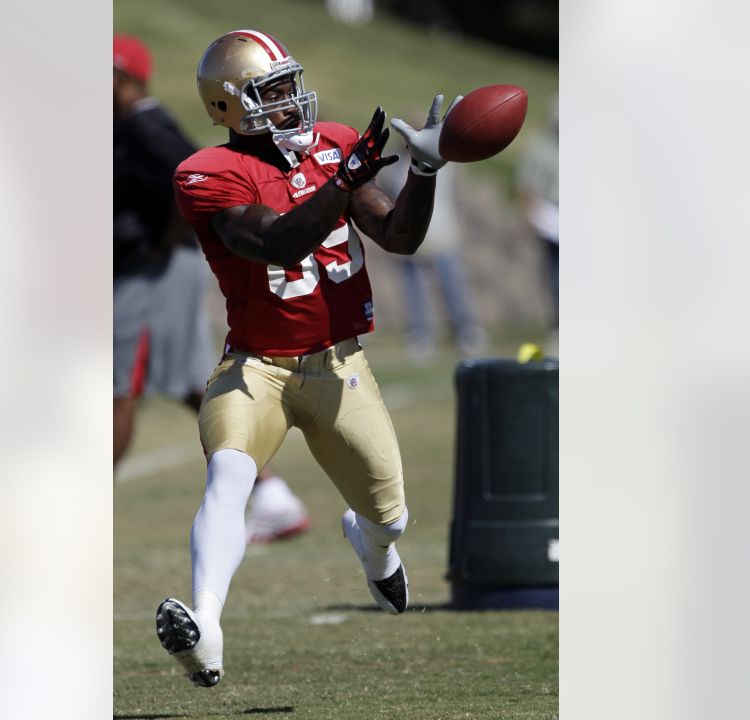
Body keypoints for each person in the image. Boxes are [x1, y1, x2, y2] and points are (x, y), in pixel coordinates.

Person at [154, 28, 456, 687]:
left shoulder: (335, 148)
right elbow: (274, 243)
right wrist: (341, 183)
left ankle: (374, 550)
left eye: (291, 84)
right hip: (257, 366)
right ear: (229, 106)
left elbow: (399, 235)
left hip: (339, 367)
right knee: (229, 477)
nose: (291, 100)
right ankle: (204, 626)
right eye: (272, 90)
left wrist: (425, 172)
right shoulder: (207, 173)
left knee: (391, 516)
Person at [113, 34, 308, 543]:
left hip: (148, 273)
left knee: (116, 389)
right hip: (139, 271)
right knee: (188, 384)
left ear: (125, 78)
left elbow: (194, 183)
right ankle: (271, 494)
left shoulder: (146, 127)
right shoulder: (126, 127)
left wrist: (162, 243)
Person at [376, 139, 488, 361]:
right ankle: (420, 333)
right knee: (414, 290)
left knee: (452, 286)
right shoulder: (397, 170)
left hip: (441, 234)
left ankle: (465, 329)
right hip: (411, 238)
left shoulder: (443, 166)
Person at [518, 94, 559, 339]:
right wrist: (528, 214)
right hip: (551, 215)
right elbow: (529, 184)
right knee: (556, 271)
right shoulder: (541, 146)